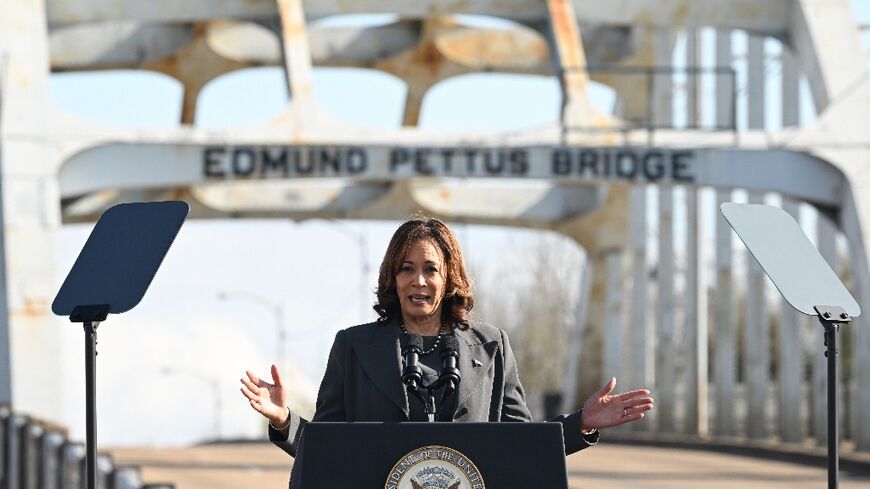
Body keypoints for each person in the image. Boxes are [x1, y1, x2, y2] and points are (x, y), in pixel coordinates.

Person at [240, 216, 653, 459]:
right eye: (406, 268)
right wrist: (284, 420)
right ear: (392, 278)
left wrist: (580, 425)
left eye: (431, 269)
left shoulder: (492, 347)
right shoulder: (353, 347)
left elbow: (519, 448)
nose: (418, 280)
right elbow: (329, 451)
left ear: (449, 277)